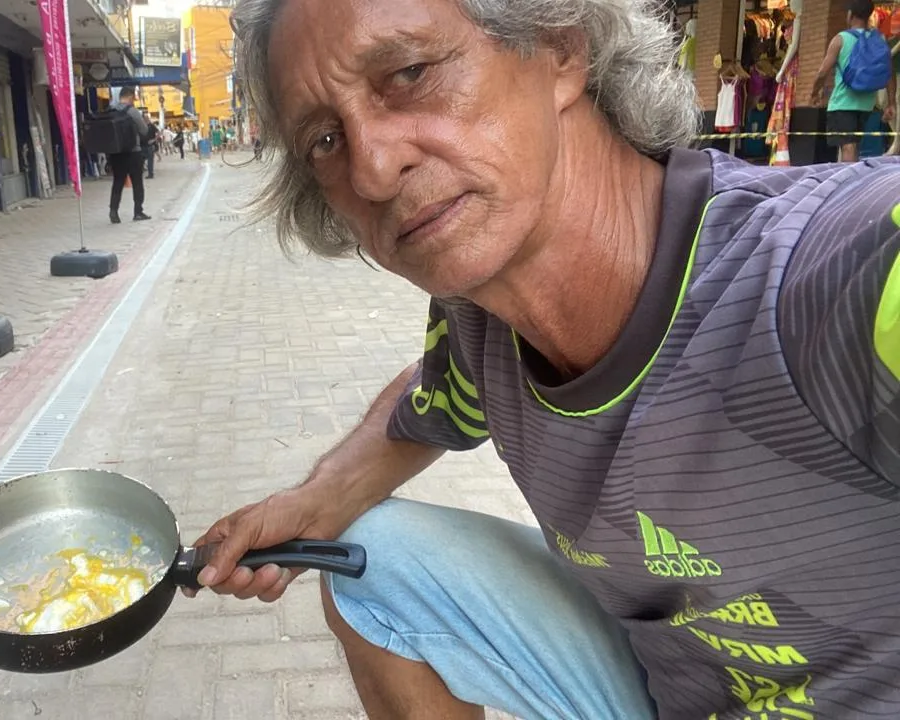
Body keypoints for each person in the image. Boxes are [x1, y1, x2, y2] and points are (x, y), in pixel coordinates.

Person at [192, 0, 900, 718]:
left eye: (408, 72)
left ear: (560, 47)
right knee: (366, 560)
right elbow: (425, 406)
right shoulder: (483, 323)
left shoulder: (829, 274)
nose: (373, 169)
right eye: (324, 140)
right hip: (671, 693)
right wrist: (311, 504)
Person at [811, 0, 897, 162]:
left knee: (848, 146)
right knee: (854, 145)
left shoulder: (841, 39)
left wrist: (815, 93)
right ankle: (855, 181)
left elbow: (822, 72)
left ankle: (848, 183)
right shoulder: (879, 39)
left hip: (843, 103)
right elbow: (889, 72)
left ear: (850, 14)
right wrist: (891, 102)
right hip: (866, 105)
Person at [107, 87, 151, 224]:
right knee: (137, 182)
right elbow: (144, 131)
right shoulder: (132, 111)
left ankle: (113, 211)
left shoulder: (111, 111)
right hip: (133, 152)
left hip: (116, 153)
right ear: (131, 96)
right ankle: (138, 212)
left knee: (118, 182)